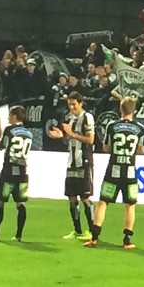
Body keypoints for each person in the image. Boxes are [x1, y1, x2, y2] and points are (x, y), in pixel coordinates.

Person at [83, 97, 144, 249]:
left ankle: (94, 238)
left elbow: (106, 148)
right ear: (134, 110)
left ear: (120, 108)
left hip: (113, 170)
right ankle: (127, 240)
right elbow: (142, 150)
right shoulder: (140, 127)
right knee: (130, 205)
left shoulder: (112, 125)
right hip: (130, 172)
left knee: (103, 202)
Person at [48, 91, 96, 240]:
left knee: (85, 197)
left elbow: (90, 140)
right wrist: (62, 136)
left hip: (84, 162)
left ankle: (93, 231)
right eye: (69, 104)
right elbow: (68, 141)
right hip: (71, 162)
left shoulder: (87, 117)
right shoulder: (69, 118)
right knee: (71, 197)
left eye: (74, 104)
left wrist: (71, 133)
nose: (71, 107)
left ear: (81, 104)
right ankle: (78, 231)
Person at [0, 106, 32, 242]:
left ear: (15, 116)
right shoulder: (28, 132)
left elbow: (1, 146)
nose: (9, 118)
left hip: (9, 170)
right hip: (23, 171)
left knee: (0, 201)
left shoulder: (9, 130)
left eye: (10, 116)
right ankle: (18, 236)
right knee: (20, 203)